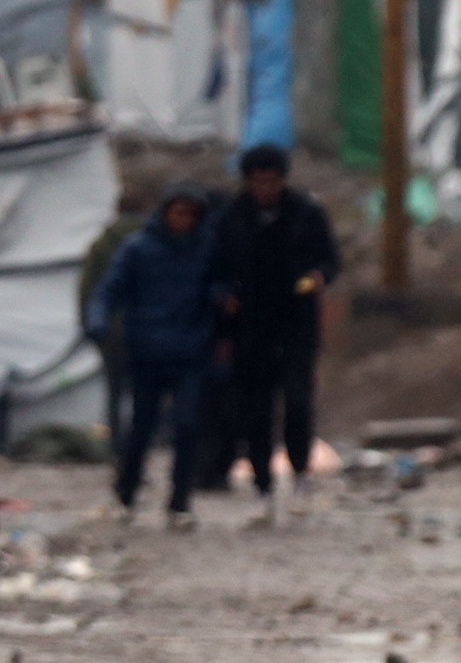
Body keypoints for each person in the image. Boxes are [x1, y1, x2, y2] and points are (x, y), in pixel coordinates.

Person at [209, 144, 342, 523]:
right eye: (258, 181)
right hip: (249, 328)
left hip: (297, 323)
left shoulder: (308, 213)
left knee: (298, 403)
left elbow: (329, 261)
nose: (265, 188)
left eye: (271, 181)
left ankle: (300, 474)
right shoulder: (230, 219)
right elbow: (216, 270)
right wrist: (224, 301)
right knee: (256, 411)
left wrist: (318, 278)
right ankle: (263, 485)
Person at [86, 183, 222, 531]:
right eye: (178, 213)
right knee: (141, 427)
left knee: (187, 425)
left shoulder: (206, 249)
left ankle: (180, 502)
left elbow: (221, 286)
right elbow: (109, 289)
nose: (183, 221)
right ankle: (126, 493)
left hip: (190, 351)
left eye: (190, 215)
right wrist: (98, 322)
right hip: (146, 351)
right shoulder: (138, 250)